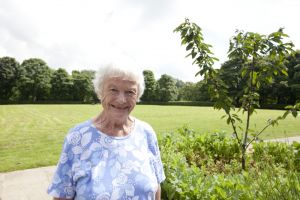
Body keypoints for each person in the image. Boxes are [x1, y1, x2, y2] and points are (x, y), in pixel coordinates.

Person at [47, 63, 165, 200]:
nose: (121, 100)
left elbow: (156, 187)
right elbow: (62, 196)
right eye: (113, 90)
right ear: (100, 91)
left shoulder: (146, 133)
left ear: (137, 95)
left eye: (130, 92)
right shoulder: (78, 138)